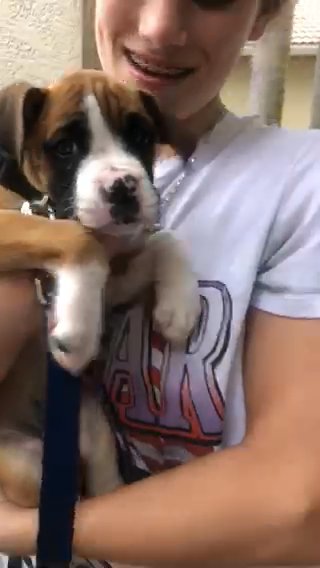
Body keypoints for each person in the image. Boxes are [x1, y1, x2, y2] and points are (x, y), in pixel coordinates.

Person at [1, 0, 320, 566]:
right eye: (68, 147)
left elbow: (299, 508)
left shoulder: (300, 186)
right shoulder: (37, 200)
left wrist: (32, 530)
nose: (158, 27)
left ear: (264, 13)